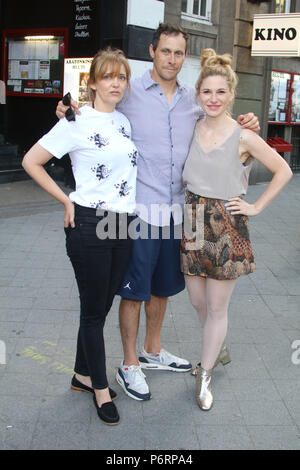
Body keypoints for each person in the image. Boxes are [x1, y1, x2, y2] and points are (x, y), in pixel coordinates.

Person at [56, 23, 260, 402]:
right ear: (152, 51)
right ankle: (130, 363)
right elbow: (96, 105)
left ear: (185, 57)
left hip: (181, 213)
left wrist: (248, 120)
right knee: (134, 291)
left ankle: (152, 349)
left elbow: (221, 112)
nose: (171, 58)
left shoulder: (192, 98)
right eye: (165, 51)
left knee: (164, 286)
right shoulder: (129, 93)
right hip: (138, 211)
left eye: (179, 53)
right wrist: (70, 109)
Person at [22, 48, 138, 425]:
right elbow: (31, 161)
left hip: (123, 224)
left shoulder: (124, 121)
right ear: (92, 83)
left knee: (101, 306)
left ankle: (80, 374)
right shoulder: (75, 120)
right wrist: (65, 200)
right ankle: (99, 389)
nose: (116, 83)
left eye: (121, 77)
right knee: (93, 312)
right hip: (89, 223)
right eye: (108, 76)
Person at [181, 49, 293, 411]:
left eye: (220, 92)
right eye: (206, 92)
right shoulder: (193, 124)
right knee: (197, 300)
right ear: (198, 94)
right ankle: (218, 346)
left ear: (231, 95)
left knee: (216, 307)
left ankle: (206, 373)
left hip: (228, 224)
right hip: (194, 218)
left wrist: (256, 206)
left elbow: (283, 170)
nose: (213, 99)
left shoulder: (243, 136)